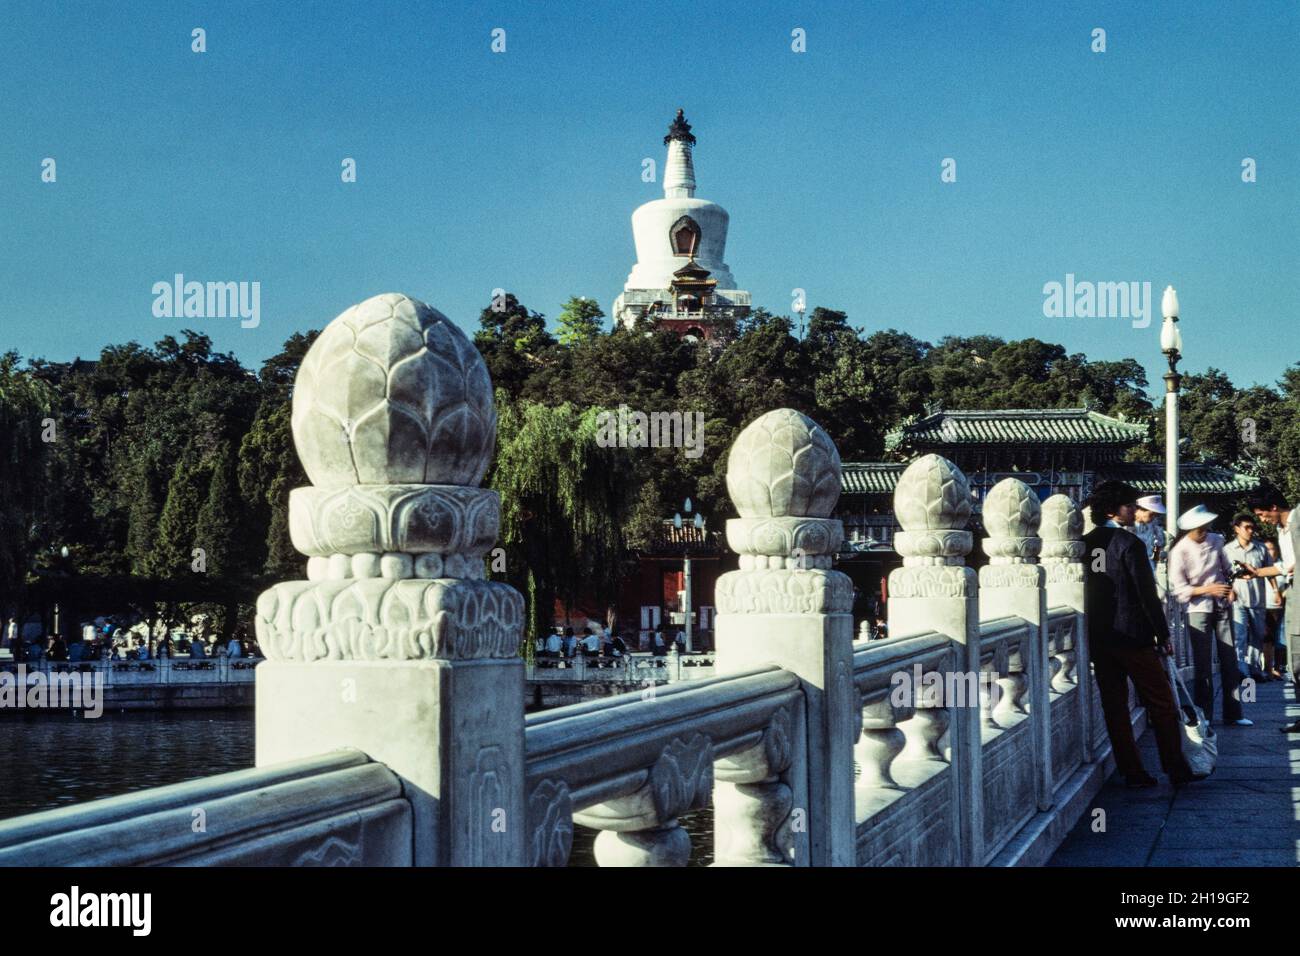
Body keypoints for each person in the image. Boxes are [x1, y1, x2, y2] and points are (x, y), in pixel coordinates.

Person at [1083, 481, 1202, 787]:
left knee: (1115, 706)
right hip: (1133, 636)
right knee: (1160, 702)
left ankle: (1132, 771)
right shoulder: (1129, 543)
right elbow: (1146, 595)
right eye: (1129, 506)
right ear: (1113, 510)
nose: (1134, 511)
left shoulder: (1086, 543)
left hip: (1100, 637)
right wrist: (1162, 635)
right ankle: (1175, 767)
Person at [1169, 504, 1251, 727]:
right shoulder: (1179, 551)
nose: (1204, 532)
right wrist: (1207, 590)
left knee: (1230, 660)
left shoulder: (1216, 540)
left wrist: (1230, 586)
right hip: (1198, 609)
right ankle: (1204, 715)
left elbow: (1225, 568)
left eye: (1206, 527)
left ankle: (1234, 712)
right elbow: (1179, 590)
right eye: (1200, 529)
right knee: (1203, 665)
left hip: (1222, 604)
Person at [1224, 512, 1282, 681]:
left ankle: (1254, 668)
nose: (1250, 531)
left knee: (1258, 635)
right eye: (1246, 527)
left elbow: (1270, 571)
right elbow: (1223, 573)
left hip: (1257, 598)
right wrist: (1229, 590)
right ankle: (1241, 669)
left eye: (1252, 527)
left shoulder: (1261, 548)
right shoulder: (1227, 550)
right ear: (1237, 529)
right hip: (1238, 598)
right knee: (1240, 635)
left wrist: (1276, 590)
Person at [1264, 539, 1287, 680]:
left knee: (1280, 640)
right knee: (1267, 639)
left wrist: (1282, 595)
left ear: (1277, 550)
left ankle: (1278, 667)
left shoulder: (1281, 566)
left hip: (1280, 608)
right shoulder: (1259, 567)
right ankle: (1267, 668)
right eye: (1266, 549)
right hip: (1264, 607)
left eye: (1271, 549)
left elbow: (1290, 585)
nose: (1269, 552)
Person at [1131, 494, 1168, 572]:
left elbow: (1159, 543)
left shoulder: (1154, 525)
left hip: (1149, 565)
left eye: (1155, 515)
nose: (1154, 517)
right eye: (1151, 514)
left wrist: (1154, 557)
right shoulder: (1126, 525)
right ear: (1139, 510)